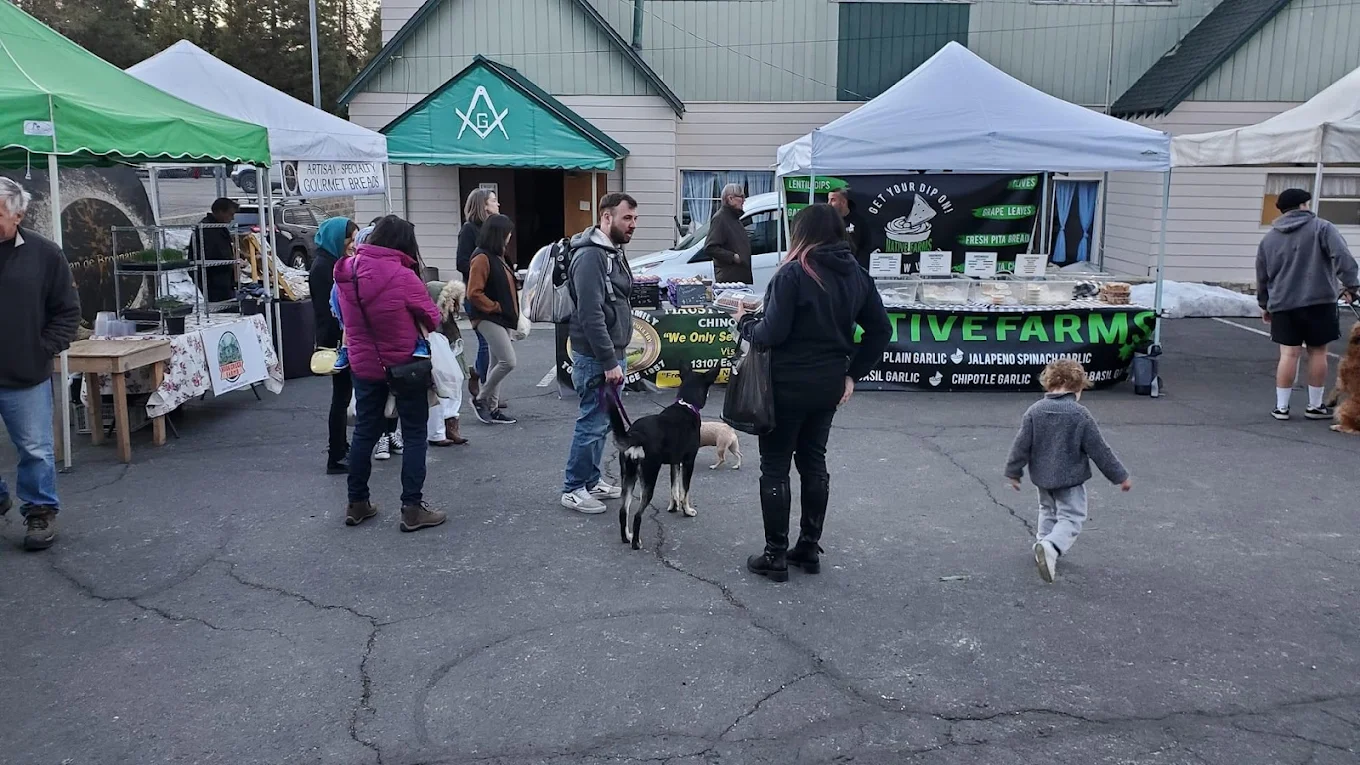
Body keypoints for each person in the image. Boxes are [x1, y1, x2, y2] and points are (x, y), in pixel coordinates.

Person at [734, 204, 891, 582]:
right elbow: (880, 332)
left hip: (785, 387)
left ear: (802, 232)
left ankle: (775, 555)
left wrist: (743, 322)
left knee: (775, 467)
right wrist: (853, 374)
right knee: (813, 462)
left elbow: (770, 335)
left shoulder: (793, 273)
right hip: (829, 386)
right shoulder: (857, 274)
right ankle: (807, 546)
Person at [332, 215, 446, 532]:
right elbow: (432, 318)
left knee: (365, 432)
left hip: (364, 364)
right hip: (405, 365)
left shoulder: (346, 271)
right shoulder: (403, 276)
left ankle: (357, 502)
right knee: (413, 435)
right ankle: (412, 508)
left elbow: (343, 315)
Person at [0, 176, 81, 550]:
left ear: (19, 214)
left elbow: (67, 312)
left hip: (24, 371)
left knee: (34, 447)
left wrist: (40, 348)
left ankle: (40, 511)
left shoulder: (45, 254)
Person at [1004, 359, 1132, 584]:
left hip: (1042, 478)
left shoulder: (1035, 411)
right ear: (1078, 387)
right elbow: (1100, 450)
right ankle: (1051, 547)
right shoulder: (1079, 414)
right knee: (1072, 517)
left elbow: (1021, 445)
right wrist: (1119, 476)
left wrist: (1013, 472)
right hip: (1069, 479)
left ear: (1049, 383)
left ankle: (1042, 544)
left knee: (1048, 509)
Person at [560, 193, 638, 514]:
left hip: (609, 353)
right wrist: (608, 361)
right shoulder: (591, 256)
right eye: (626, 218)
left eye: (635, 219)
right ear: (606, 217)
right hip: (596, 357)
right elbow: (590, 313)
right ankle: (574, 488)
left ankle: (592, 480)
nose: (632, 225)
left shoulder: (610, 251)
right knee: (592, 421)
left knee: (603, 422)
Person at [1257, 188, 1360, 420]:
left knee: (1288, 354)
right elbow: (1342, 257)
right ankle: (1315, 406)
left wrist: (1265, 304)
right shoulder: (1322, 228)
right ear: (1304, 205)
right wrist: (1351, 286)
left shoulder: (1269, 238)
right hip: (1319, 302)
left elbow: (1262, 276)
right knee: (1318, 353)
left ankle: (1281, 407)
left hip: (1283, 304)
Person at [308, 216, 359, 475]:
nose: (352, 243)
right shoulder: (324, 268)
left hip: (341, 339)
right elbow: (330, 311)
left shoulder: (331, 262)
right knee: (340, 399)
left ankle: (341, 447)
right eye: (349, 238)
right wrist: (341, 342)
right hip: (337, 342)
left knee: (343, 396)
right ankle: (336, 454)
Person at [466, 214, 520, 425]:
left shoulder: (498, 256)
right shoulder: (482, 257)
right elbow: (473, 292)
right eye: (507, 233)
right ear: (499, 234)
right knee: (508, 361)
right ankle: (481, 399)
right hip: (488, 317)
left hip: (500, 317)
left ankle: (493, 408)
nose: (509, 237)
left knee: (496, 362)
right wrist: (495, 306)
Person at [458, 188, 500, 403]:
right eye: (494, 201)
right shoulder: (469, 230)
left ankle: (482, 380)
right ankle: (485, 390)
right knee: (487, 344)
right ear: (483, 205)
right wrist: (482, 270)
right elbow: (461, 261)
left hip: (494, 295)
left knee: (497, 348)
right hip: (476, 294)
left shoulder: (494, 229)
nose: (497, 204)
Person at [426, 279, 470, 446]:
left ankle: (450, 427)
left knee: (453, 390)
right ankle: (437, 432)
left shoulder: (448, 320)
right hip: (437, 356)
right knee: (438, 393)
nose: (453, 303)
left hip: (450, 353)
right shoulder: (433, 320)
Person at [193, 197, 240, 302]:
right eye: (230, 214)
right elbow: (215, 253)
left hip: (223, 280)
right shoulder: (207, 229)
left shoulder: (219, 227)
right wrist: (232, 262)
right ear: (220, 212)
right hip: (213, 282)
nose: (232, 218)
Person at [704, 183, 753, 284]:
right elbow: (710, 247)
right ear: (730, 198)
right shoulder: (720, 218)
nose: (744, 200)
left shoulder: (735, 218)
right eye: (742, 196)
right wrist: (733, 257)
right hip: (729, 281)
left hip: (740, 278)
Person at [828, 188, 871, 269]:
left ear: (843, 202)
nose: (829, 203)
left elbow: (865, 247)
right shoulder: (827, 222)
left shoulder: (859, 222)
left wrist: (858, 267)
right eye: (828, 200)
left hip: (854, 268)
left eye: (833, 200)